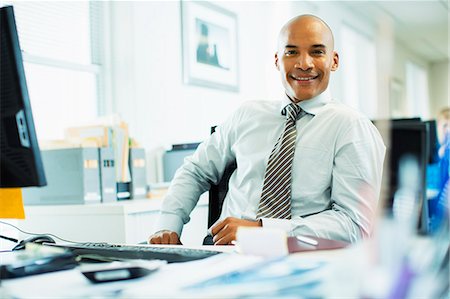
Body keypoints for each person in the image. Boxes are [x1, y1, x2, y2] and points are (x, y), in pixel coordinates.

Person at [149, 14, 386, 245]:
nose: (304, 63)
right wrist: (168, 224)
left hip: (299, 258)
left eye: (317, 51)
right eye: (291, 52)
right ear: (276, 60)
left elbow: (355, 225)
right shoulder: (247, 114)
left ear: (334, 61)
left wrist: (264, 230)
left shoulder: (352, 128)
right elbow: (195, 170)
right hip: (223, 253)